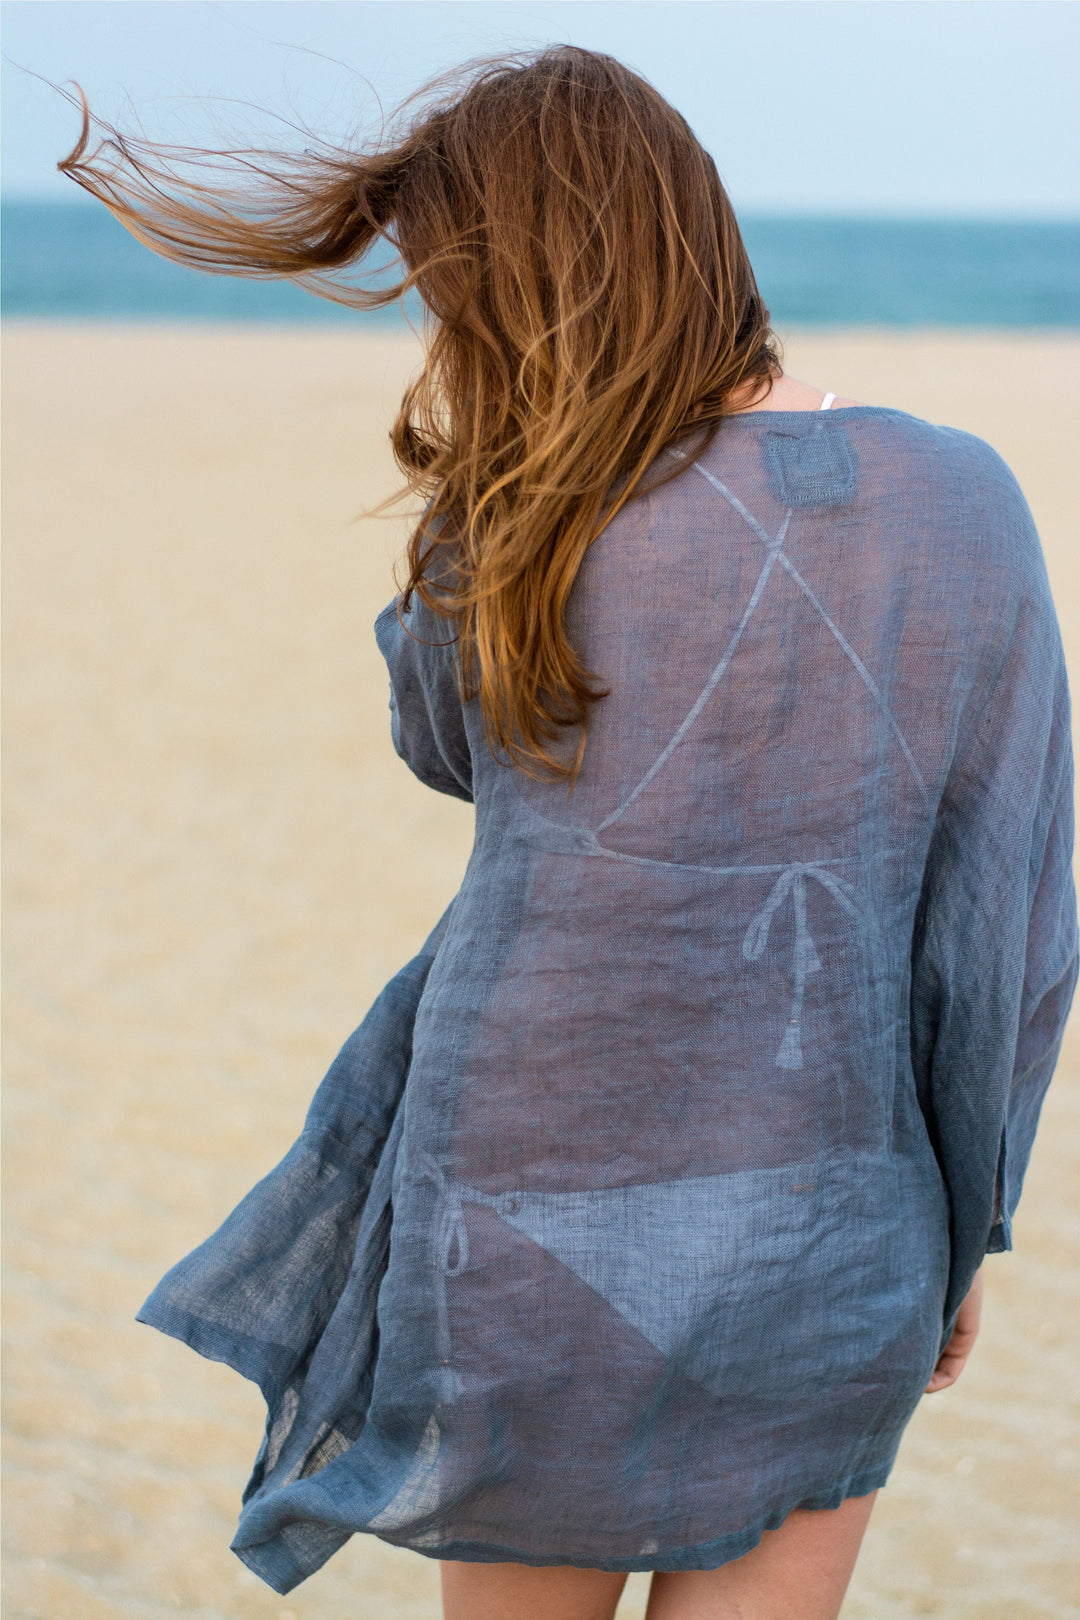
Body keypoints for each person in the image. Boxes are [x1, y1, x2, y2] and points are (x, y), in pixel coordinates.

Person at [58, 45, 1077, 1620]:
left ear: (513, 291)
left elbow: (440, 740)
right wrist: (965, 1231)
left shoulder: (524, 522)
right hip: (832, 1226)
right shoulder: (965, 503)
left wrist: (498, 475)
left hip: (523, 1224)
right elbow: (1005, 934)